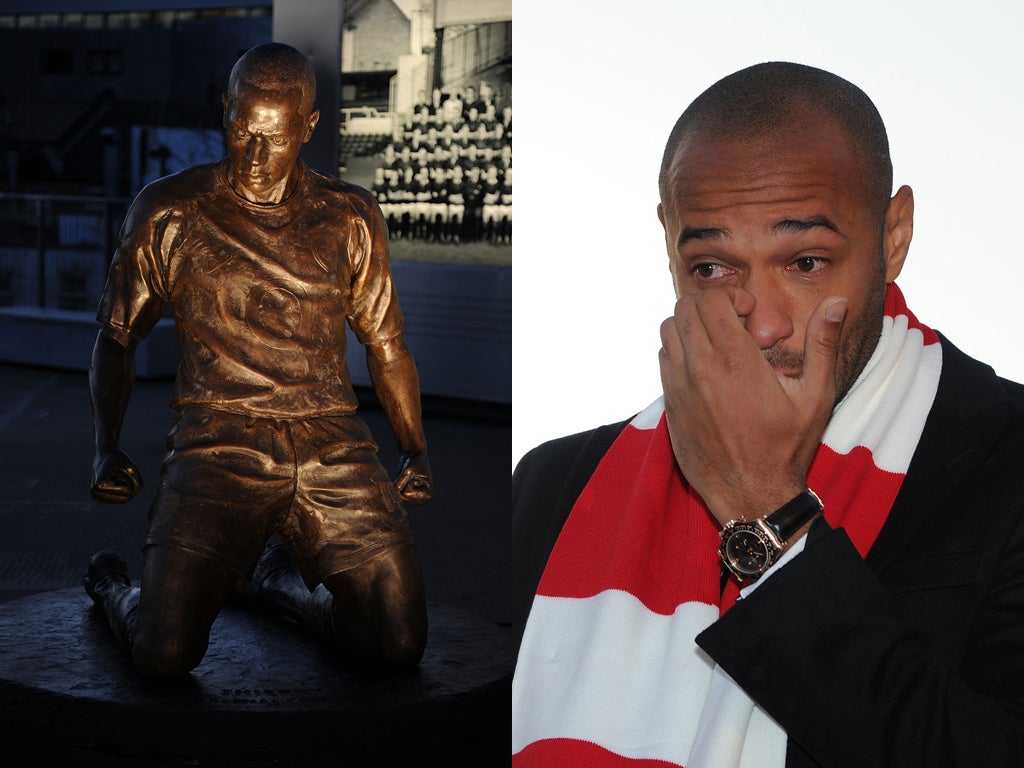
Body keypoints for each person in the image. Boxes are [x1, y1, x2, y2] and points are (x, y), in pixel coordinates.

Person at [512, 61, 1024, 766]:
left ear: (894, 235)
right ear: (670, 242)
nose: (762, 326)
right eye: (713, 269)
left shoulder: (1006, 457)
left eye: (806, 262)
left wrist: (767, 511)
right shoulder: (553, 485)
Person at [84, 42, 435, 680]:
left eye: (272, 138)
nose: (252, 155)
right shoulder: (170, 211)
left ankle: (280, 591)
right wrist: (106, 446)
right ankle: (114, 590)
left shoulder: (350, 216)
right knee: (163, 654)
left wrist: (414, 449)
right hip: (218, 443)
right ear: (225, 110)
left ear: (308, 127)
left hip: (332, 441)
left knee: (399, 639)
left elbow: (385, 343)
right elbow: (116, 338)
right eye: (241, 130)